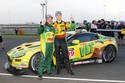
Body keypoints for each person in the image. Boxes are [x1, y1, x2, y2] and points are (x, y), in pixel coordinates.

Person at [53, 11, 75, 75]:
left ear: (61, 16)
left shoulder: (65, 23)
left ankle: (69, 70)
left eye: (59, 15)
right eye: (57, 15)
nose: (58, 16)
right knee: (57, 56)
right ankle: (58, 70)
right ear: (55, 16)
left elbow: (72, 27)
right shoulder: (53, 24)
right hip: (56, 40)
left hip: (63, 40)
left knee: (66, 56)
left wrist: (72, 21)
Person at [37, 15, 55, 79]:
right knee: (43, 60)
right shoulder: (43, 27)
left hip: (51, 46)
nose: (50, 20)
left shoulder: (53, 28)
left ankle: (48, 71)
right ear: (46, 20)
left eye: (51, 19)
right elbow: (38, 32)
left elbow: (54, 36)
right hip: (45, 46)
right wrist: (42, 25)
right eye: (48, 19)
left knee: (49, 59)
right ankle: (40, 74)